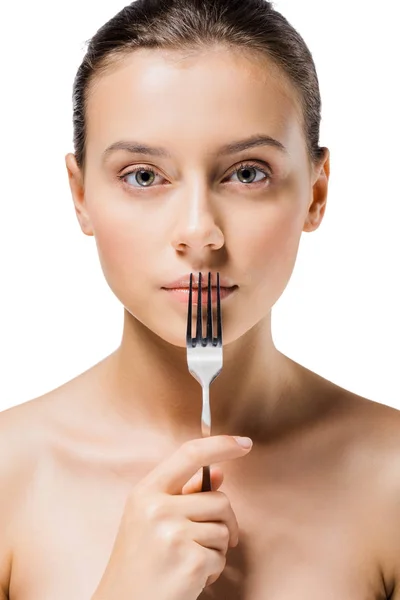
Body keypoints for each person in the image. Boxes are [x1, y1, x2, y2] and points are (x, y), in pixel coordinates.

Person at [1, 0, 399, 598]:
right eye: (142, 175)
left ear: (316, 193)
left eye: (246, 173)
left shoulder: (390, 480)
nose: (199, 231)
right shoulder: (9, 478)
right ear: (80, 195)